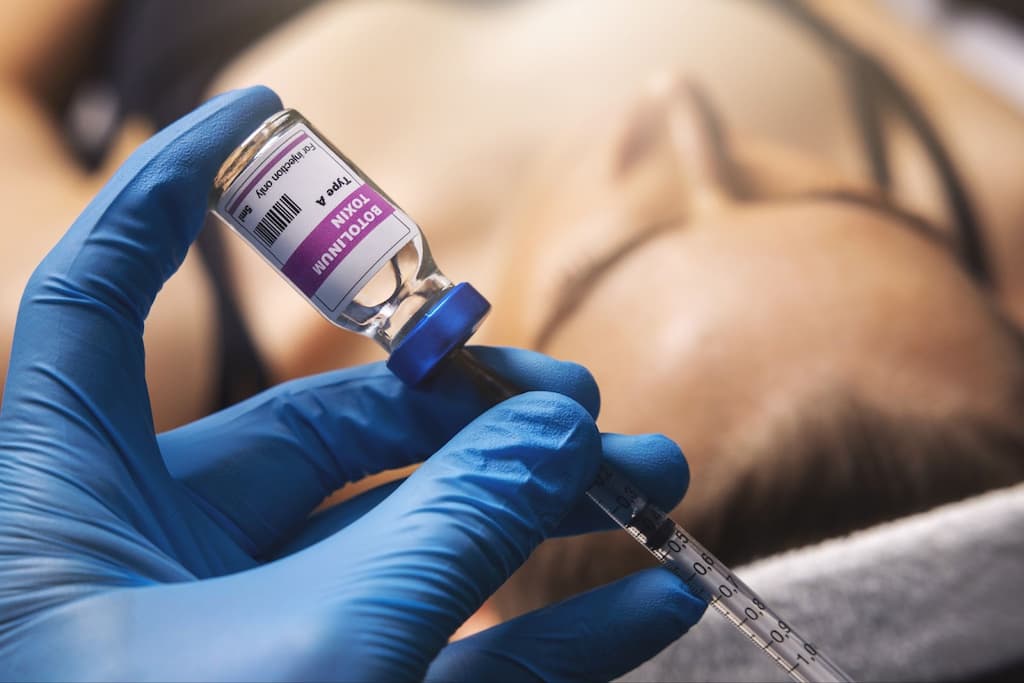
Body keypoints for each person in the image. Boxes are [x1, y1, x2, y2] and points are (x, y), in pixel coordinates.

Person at [3, 0, 1024, 630]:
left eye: (601, 263)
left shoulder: (151, 344)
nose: (673, 108)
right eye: (841, 198)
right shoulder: (991, 183)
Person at [0, 87, 706, 679]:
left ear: (475, 611)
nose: (673, 104)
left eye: (603, 264)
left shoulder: (185, 334)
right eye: (821, 191)